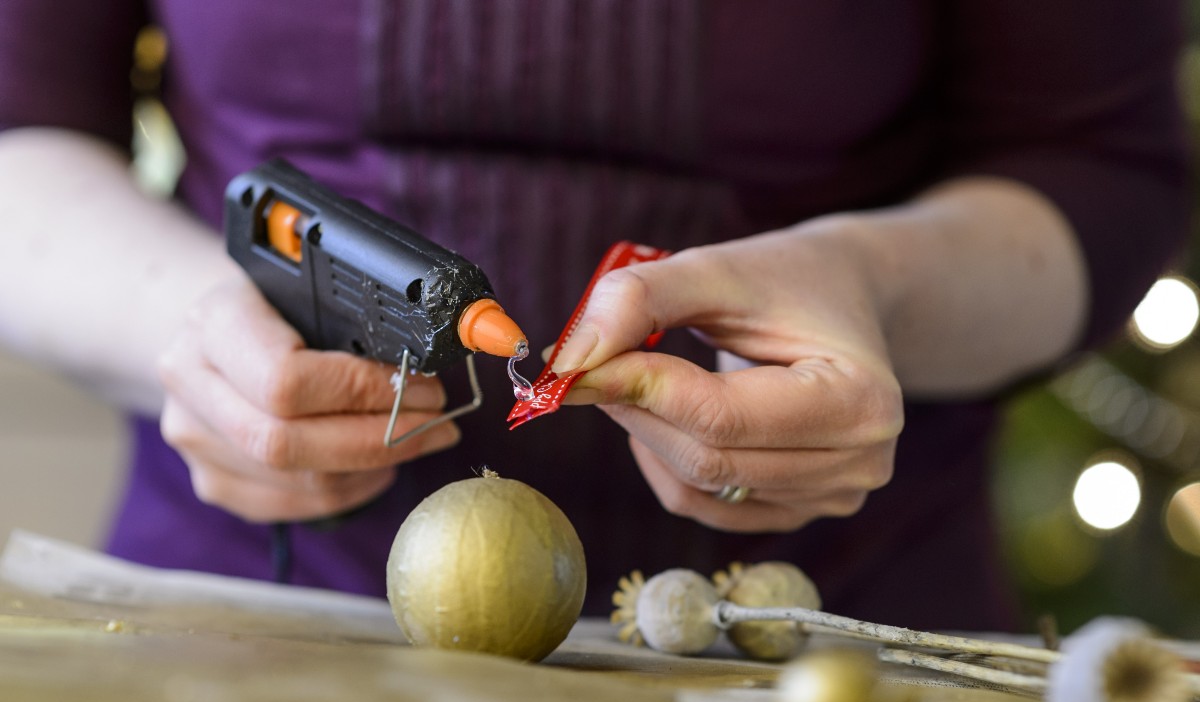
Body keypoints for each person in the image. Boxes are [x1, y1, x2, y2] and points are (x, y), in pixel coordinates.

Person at [0, 1, 1188, 631]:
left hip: (813, 643)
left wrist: (875, 285)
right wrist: (183, 326)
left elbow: (1103, 166)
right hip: (247, 619)